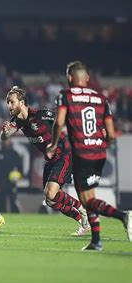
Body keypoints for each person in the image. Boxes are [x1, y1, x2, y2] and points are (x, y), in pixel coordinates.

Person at [46, 61, 131, 251]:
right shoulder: (101, 98)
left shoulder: (66, 96)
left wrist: (52, 143)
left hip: (81, 153)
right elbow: (110, 133)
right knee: (89, 196)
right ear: (87, 78)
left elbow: (59, 122)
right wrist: (103, 145)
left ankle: (123, 216)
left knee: (87, 200)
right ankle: (96, 241)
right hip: (99, 153)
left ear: (69, 77)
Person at [2, 86, 90, 235]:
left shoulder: (41, 115)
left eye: (12, 102)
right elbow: (5, 137)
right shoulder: (17, 121)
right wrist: (5, 132)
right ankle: (83, 222)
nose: (9, 106)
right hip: (50, 160)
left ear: (22, 103)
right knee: (51, 201)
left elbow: (63, 119)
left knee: (51, 194)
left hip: (64, 155)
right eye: (8, 103)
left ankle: (82, 208)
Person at [0, 139, 23, 213]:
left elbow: (20, 168)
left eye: (7, 140)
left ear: (10, 142)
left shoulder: (15, 154)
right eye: (4, 141)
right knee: (2, 202)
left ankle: (15, 218)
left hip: (12, 182)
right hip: (0, 182)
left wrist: (18, 176)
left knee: (13, 201)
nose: (6, 142)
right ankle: (3, 217)